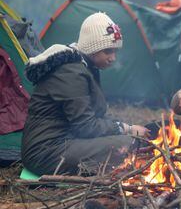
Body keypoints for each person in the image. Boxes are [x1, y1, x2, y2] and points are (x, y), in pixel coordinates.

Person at [22, 12, 150, 176]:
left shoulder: (83, 66)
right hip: (45, 152)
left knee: (127, 143)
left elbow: (92, 117)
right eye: (108, 51)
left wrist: (123, 128)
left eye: (115, 51)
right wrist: (127, 129)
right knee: (126, 144)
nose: (112, 58)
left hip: (64, 141)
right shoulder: (71, 73)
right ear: (93, 48)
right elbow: (86, 126)